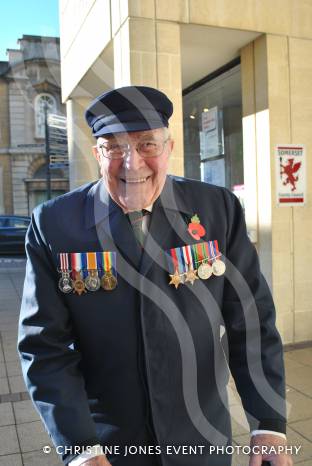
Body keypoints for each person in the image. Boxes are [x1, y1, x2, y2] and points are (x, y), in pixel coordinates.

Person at [18, 86, 293, 466]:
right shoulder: (54, 224)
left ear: (169, 147)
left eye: (147, 144)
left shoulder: (217, 210)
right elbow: (44, 348)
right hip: (110, 451)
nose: (132, 164)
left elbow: (251, 322)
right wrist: (80, 449)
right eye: (113, 147)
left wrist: (268, 424)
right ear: (97, 154)